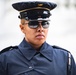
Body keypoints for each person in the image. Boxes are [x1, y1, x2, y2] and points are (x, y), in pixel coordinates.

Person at [0, 1, 76, 75]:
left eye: (45, 23)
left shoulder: (65, 58)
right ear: (22, 28)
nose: (40, 29)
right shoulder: (5, 60)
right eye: (33, 24)